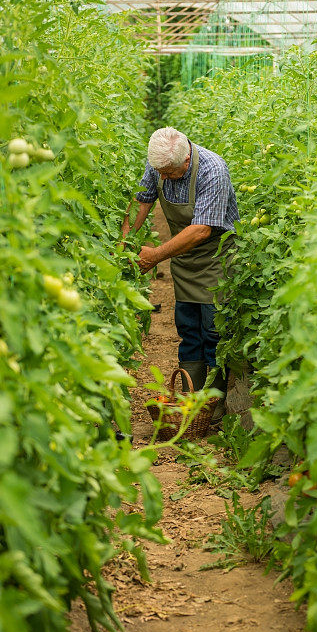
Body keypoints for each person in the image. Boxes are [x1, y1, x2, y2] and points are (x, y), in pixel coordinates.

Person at [122, 127, 239, 424]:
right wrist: (123, 243)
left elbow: (201, 229)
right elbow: (143, 200)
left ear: (186, 161)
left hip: (217, 257)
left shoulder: (212, 169)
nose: (162, 178)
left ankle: (213, 408)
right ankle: (191, 397)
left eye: (169, 173)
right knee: (188, 327)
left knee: (214, 331)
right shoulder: (160, 162)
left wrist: (156, 254)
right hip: (184, 258)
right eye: (159, 172)